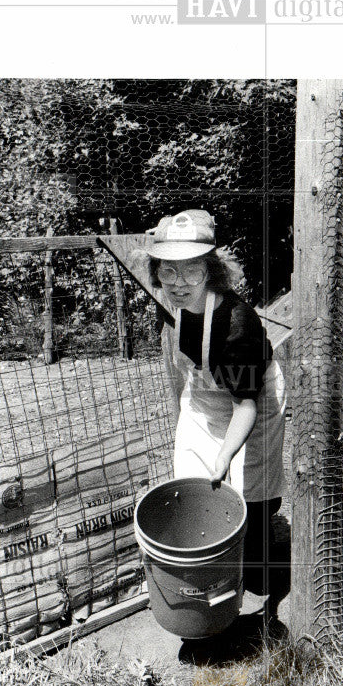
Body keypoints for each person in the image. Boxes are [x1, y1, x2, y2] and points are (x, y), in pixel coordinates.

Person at [144, 209, 290, 627]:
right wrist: (182, 413)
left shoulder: (236, 324)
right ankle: (211, 578)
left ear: (210, 270)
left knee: (253, 497)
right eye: (167, 271)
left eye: (190, 271)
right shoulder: (169, 304)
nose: (178, 283)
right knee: (196, 490)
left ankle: (260, 565)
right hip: (204, 400)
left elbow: (246, 404)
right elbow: (179, 366)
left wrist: (225, 457)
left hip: (253, 404)